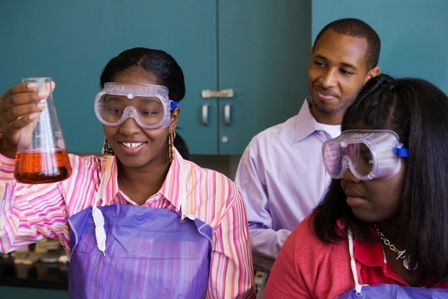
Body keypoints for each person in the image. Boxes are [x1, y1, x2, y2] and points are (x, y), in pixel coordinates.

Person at [0, 47, 256, 299]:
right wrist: (7, 150)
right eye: (115, 109)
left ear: (172, 117)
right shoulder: (73, 182)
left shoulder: (217, 195)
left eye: (147, 112)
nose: (129, 127)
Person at [264, 74, 448, 298]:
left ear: (423, 159)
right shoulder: (313, 246)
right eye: (345, 155)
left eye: (368, 159)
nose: (349, 175)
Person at [234, 18, 381, 294]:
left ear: (370, 75)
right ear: (311, 54)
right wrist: (311, 249)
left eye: (346, 71)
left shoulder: (382, 149)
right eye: (321, 63)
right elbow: (242, 234)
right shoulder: (265, 147)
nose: (326, 80)